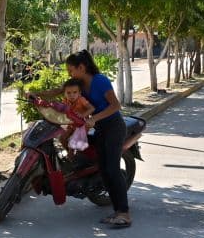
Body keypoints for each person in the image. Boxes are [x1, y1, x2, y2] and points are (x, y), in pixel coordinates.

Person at [31, 50, 131, 228]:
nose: (69, 74)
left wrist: (93, 119)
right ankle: (117, 212)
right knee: (104, 170)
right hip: (100, 129)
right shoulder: (78, 84)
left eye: (71, 70)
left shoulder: (99, 81)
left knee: (112, 170)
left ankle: (124, 213)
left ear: (82, 67)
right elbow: (57, 91)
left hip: (114, 127)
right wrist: (36, 95)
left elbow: (116, 105)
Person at [59, 77, 94, 152]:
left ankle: (72, 156)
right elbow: (62, 111)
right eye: (68, 93)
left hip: (82, 125)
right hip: (71, 124)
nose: (72, 95)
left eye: (75, 92)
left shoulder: (81, 100)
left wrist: (83, 115)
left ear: (79, 93)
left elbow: (92, 108)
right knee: (62, 138)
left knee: (73, 143)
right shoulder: (65, 101)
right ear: (64, 94)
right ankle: (70, 153)